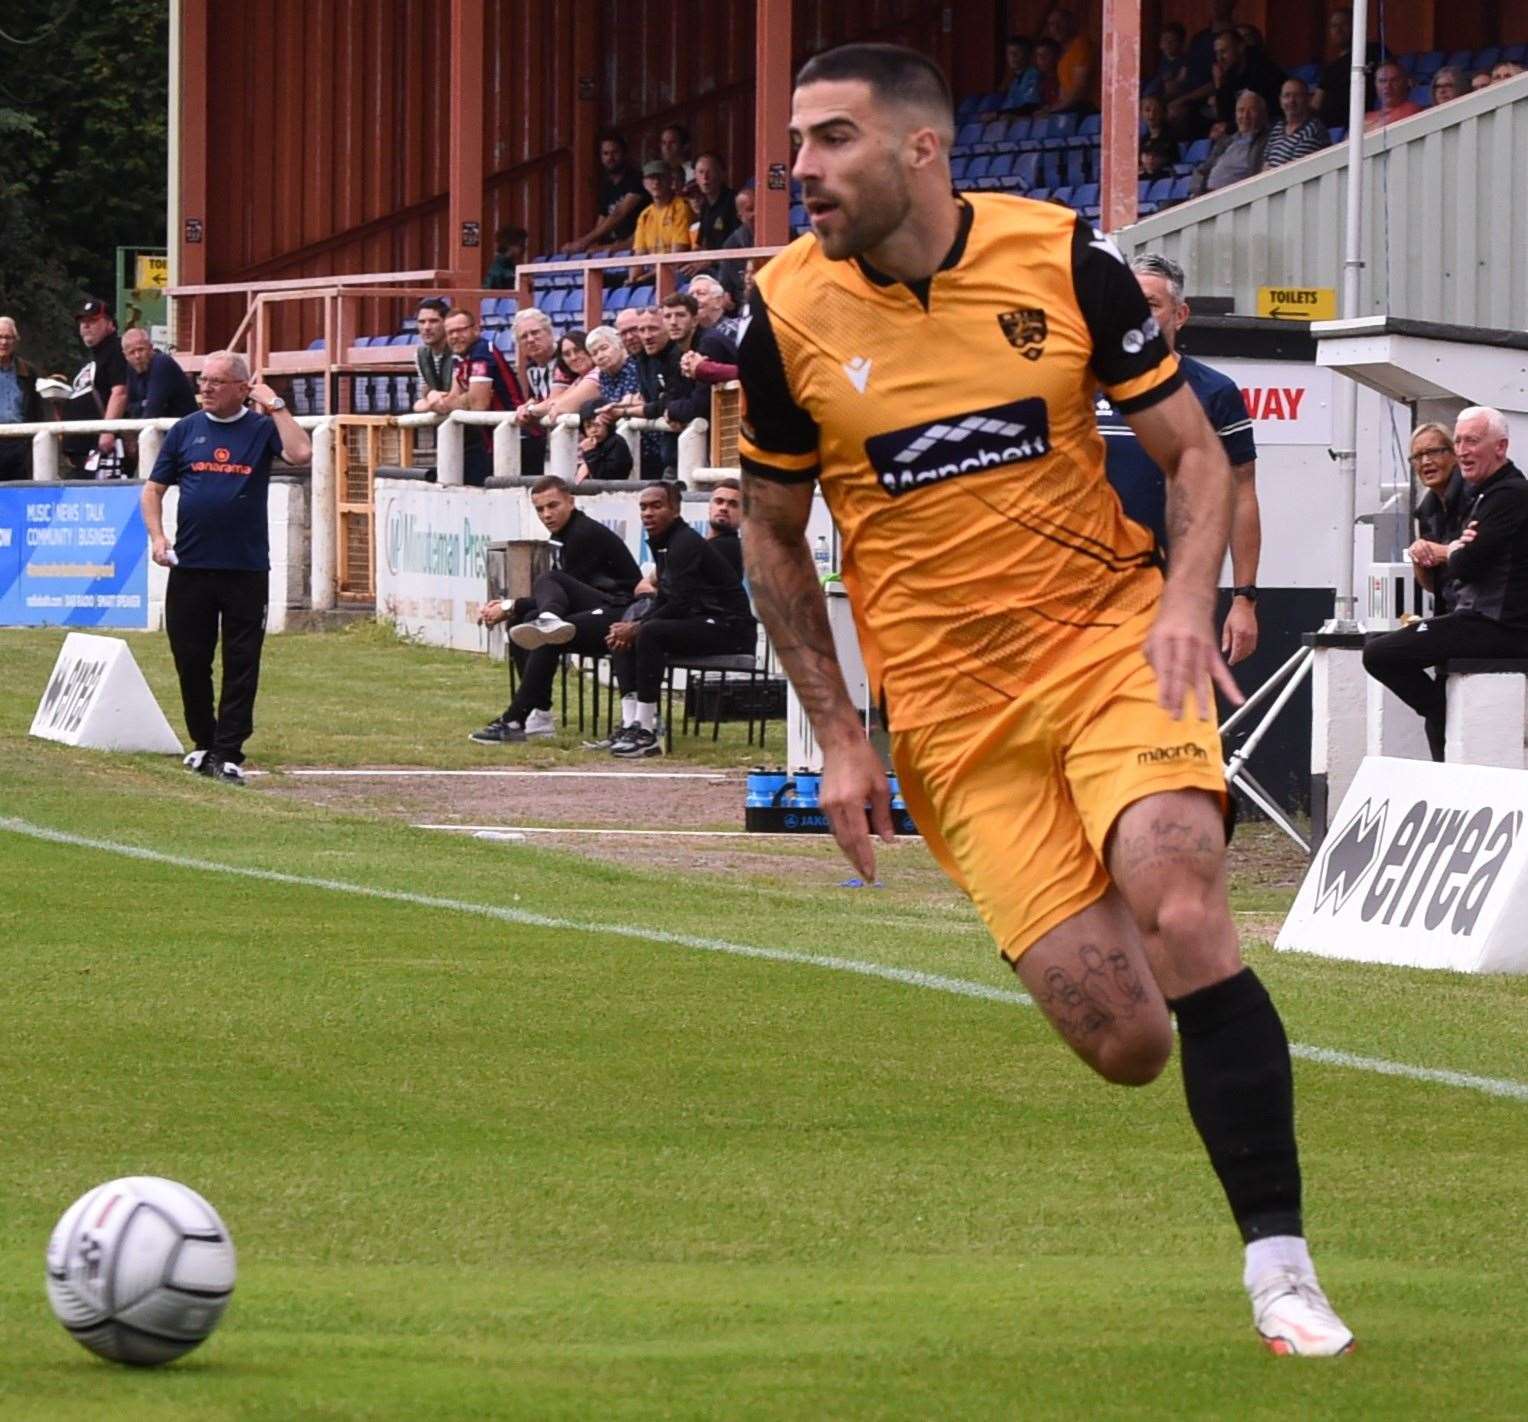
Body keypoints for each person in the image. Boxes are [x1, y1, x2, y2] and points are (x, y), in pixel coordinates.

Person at [738, 42, 1354, 1355]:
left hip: (1110, 645)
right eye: (799, 143)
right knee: (1129, 1038)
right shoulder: (781, 316)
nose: (802, 170)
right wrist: (844, 738)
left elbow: (1192, 456)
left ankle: (1284, 1273)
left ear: (921, 148)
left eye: (832, 139)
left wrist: (1186, 600)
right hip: (956, 718)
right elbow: (774, 539)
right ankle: (1133, 955)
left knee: (1184, 898)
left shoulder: (1062, 259)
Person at [140, 350, 312, 783]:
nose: (206, 388)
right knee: (191, 659)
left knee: (242, 661)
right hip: (191, 567)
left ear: (241, 387)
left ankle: (228, 751)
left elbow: (301, 452)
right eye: (203, 381)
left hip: (245, 568)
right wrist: (159, 538)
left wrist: (274, 403)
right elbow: (152, 491)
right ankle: (204, 741)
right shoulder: (185, 431)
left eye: (217, 381)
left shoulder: (259, 428)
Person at [1098, 254, 1261, 665]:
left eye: (1151, 305)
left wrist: (1245, 600)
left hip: (1173, 596)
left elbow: (1241, 494)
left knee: (1171, 719)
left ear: (1181, 314)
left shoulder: (1214, 392)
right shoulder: (1086, 382)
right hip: (1087, 592)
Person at [1364, 407, 1528, 759]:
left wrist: (1451, 551)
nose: (1464, 450)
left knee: (1380, 653)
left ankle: (1442, 712)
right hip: (1466, 618)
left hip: (1496, 625)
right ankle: (1442, 725)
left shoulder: (1506, 494)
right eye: (1459, 442)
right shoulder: (1471, 498)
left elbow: (1467, 565)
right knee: (1398, 660)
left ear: (1500, 447)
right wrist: (1448, 551)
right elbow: (1446, 576)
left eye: (1471, 441)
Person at [471, 475, 642, 743]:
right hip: (594, 608)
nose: (546, 514)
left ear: (571, 502)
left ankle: (516, 718)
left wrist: (509, 604)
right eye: (540, 509)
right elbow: (557, 596)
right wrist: (513, 609)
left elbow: (562, 589)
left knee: (547, 623)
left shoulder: (583, 534)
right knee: (524, 622)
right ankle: (539, 714)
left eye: (553, 506)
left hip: (620, 613)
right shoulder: (562, 535)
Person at [604, 480, 754, 758]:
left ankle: (647, 732)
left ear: (675, 510)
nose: (648, 513)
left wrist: (639, 628)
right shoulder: (665, 542)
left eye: (656, 506)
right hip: (703, 621)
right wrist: (631, 627)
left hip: (729, 630)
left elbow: (681, 602)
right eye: (643, 507)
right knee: (628, 627)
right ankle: (630, 723)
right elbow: (665, 599)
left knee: (648, 632)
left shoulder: (685, 542)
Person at [422, 309, 527, 485]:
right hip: (492, 440)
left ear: (476, 330)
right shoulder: (460, 358)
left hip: (519, 437)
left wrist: (446, 402)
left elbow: (478, 404)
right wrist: (439, 401)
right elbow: (453, 398)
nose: (455, 336)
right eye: (450, 332)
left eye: (461, 330)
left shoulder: (481, 352)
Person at [64, 298, 130, 475]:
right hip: (84, 449)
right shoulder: (94, 355)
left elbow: (120, 391)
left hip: (104, 448)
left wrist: (107, 431)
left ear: (110, 324)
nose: (86, 326)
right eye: (83, 322)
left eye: (93, 321)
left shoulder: (116, 350)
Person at [1407, 423, 1467, 614]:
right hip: (1447, 611)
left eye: (1432, 452)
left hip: (1478, 613)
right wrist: (1418, 558)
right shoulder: (1426, 510)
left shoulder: (1472, 496)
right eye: (1417, 456)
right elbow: (1433, 586)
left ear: (1454, 454)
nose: (1425, 461)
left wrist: (1442, 552)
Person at [562, 130, 648, 255]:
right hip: (615, 244)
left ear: (624, 154)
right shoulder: (606, 186)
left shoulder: (636, 179)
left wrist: (583, 242)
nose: (610, 158)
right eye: (605, 153)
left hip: (638, 242)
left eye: (615, 152)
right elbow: (602, 222)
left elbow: (619, 213)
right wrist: (585, 247)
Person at [1313, 8, 1387, 129]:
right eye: (1334, 26)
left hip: (1359, 124)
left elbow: (1392, 73)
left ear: (1356, 26)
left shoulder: (1373, 51)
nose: (1338, 30)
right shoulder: (1330, 69)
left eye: (1344, 24)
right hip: (1327, 130)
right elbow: (1316, 104)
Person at [628, 161, 696, 283]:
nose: (656, 182)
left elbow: (677, 259)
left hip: (676, 275)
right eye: (651, 178)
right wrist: (632, 279)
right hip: (653, 275)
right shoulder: (645, 215)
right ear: (644, 183)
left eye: (661, 177)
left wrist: (643, 278)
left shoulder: (680, 207)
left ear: (671, 180)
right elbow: (639, 256)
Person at [1192, 90, 1269, 193]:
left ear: (1262, 114)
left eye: (1251, 110)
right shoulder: (1226, 141)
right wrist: (1196, 192)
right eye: (1241, 110)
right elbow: (1204, 169)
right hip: (1208, 194)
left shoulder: (1267, 141)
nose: (1245, 116)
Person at [0, 315, 45, 480]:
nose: (4, 342)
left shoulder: (28, 371)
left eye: (8, 337)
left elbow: (37, 411)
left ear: (15, 341)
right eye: (0, 337)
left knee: (18, 493)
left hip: (20, 444)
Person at [122, 328, 197, 421]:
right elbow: (131, 407)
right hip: (159, 428)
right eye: (132, 352)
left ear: (151, 348)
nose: (137, 356)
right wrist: (144, 404)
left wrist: (142, 404)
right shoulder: (132, 368)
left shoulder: (162, 363)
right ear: (125, 356)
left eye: (141, 349)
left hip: (182, 427)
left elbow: (153, 409)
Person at [1261, 77, 1329, 169]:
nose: (1291, 101)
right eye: (1286, 96)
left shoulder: (1313, 130)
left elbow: (1295, 171)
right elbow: (1265, 164)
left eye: (1297, 96)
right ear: (1280, 101)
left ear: (1308, 99)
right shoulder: (1278, 128)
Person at [411, 298, 455, 409]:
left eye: (433, 321)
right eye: (422, 322)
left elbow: (457, 396)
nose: (426, 327)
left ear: (446, 323)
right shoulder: (420, 354)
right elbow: (425, 391)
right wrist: (430, 394)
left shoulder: (458, 352)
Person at [574, 402, 634, 483]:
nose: (593, 430)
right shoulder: (590, 445)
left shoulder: (617, 443)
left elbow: (606, 476)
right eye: (588, 427)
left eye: (597, 425)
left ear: (607, 424)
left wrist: (590, 454)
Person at [1365, 61, 1423, 130]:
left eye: (1394, 80)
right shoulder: (1367, 116)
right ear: (1375, 85)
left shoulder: (1412, 108)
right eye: (1382, 81)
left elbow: (1386, 128)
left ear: (1405, 83)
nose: (1387, 86)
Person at [705, 477, 744, 578]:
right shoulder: (704, 545)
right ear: (710, 507)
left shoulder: (729, 546)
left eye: (733, 504)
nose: (724, 508)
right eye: (719, 501)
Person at [1142, 22, 1189, 103]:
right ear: (1160, 44)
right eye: (1165, 40)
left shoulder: (1185, 61)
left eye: (1172, 40)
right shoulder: (1161, 59)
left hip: (1174, 94)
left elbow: (1180, 81)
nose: (1168, 44)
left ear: (1181, 43)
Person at [484, 224, 528, 289]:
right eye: (521, 244)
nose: (525, 248)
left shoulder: (506, 265)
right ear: (511, 245)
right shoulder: (502, 268)